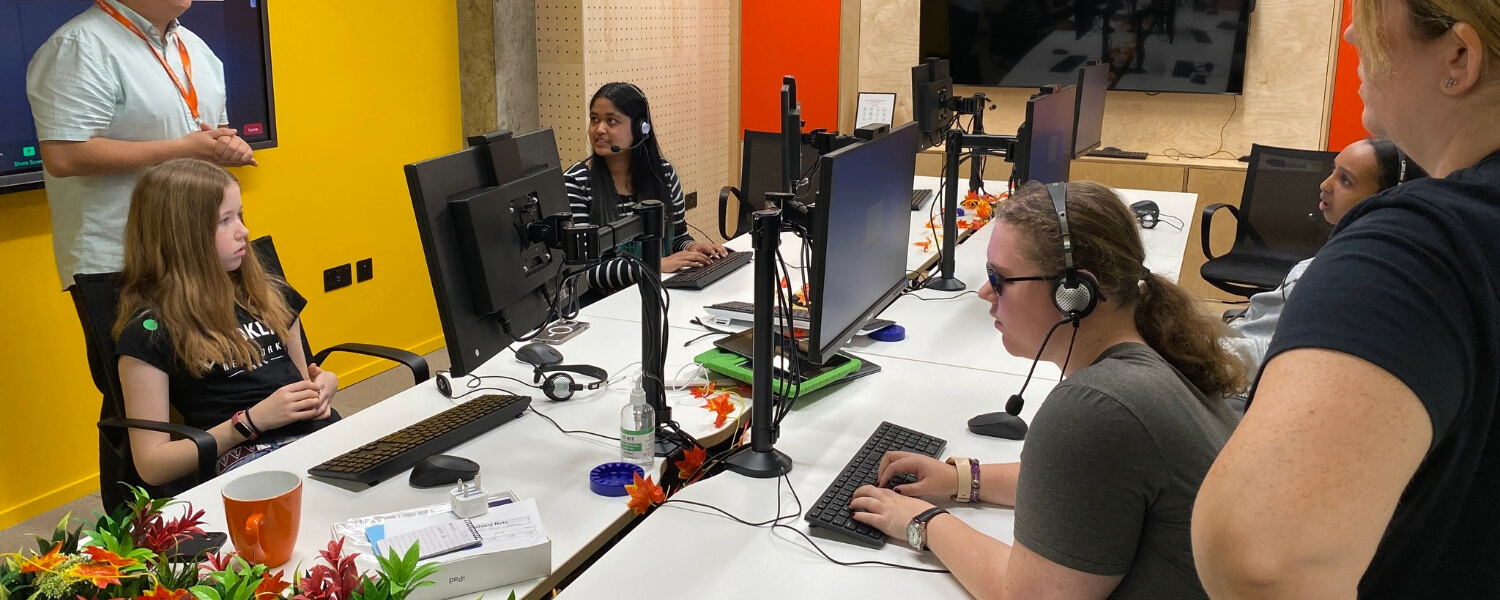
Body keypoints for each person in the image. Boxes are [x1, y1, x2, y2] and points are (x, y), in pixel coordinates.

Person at [1192, 0, 1500, 597]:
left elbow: (1264, 558)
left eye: (1376, 13)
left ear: (1459, 58)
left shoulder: (1420, 245)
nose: (1354, 31)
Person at [850, 181, 1245, 599]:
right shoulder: (1160, 351)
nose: (984, 292)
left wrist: (922, 522)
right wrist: (961, 479)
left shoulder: (1097, 408)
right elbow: (1085, 488)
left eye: (999, 278)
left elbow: (1027, 595)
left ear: (1074, 294)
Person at [113, 159, 335, 486]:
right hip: (249, 458)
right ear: (182, 236)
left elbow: (302, 381)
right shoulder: (150, 332)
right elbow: (152, 464)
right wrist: (249, 423)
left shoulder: (269, 294)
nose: (243, 231)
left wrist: (323, 386)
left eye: (240, 215)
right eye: (224, 220)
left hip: (318, 437)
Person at [27, 0, 256, 291]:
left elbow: (213, 134)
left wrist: (227, 146)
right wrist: (184, 148)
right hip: (122, 260)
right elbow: (64, 156)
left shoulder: (196, 48)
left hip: (197, 252)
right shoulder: (79, 46)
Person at [1222, 137, 1427, 378]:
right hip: (1238, 344)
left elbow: (1276, 356)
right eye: (1333, 170)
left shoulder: (1345, 280)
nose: (1325, 184)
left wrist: (1199, 350)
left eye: (1345, 180)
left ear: (1386, 200)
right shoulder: (1351, 257)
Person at [561, 82, 726, 294]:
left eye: (611, 121)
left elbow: (677, 237)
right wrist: (652, 265)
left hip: (658, 291)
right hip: (606, 303)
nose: (599, 129)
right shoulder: (576, 183)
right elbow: (583, 272)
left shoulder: (664, 174)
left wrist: (691, 248)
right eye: (594, 119)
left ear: (641, 128)